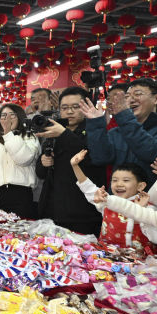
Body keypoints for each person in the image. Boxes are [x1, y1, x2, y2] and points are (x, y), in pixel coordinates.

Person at [35, 86, 106, 236]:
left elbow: (94, 160)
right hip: (52, 208)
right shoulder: (53, 130)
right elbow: (40, 173)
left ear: (86, 107)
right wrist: (43, 162)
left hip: (81, 212)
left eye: (76, 107)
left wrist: (64, 135)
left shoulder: (94, 130)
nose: (69, 111)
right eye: (64, 107)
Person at [81, 77, 157, 182]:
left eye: (138, 94)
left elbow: (152, 153)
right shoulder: (117, 131)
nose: (131, 99)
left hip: (151, 195)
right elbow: (101, 158)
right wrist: (96, 124)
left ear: (156, 99)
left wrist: (124, 116)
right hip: (119, 195)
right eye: (127, 96)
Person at [71, 151, 157, 254]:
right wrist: (75, 166)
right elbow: (88, 188)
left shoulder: (149, 208)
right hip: (107, 259)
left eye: (126, 180)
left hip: (141, 264)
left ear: (140, 186)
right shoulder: (107, 201)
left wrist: (142, 212)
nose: (119, 184)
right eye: (114, 180)